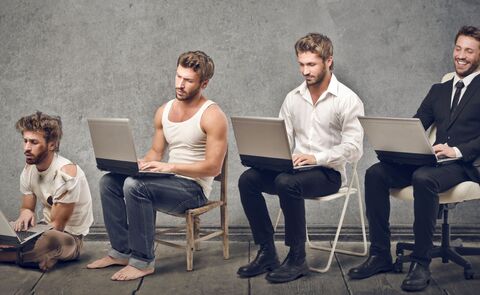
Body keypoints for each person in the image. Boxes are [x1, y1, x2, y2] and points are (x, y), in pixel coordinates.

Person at [348, 25, 480, 292]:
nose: (461, 55)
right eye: (458, 48)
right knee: (375, 173)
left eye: (469, 50)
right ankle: (380, 255)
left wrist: (455, 151)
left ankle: (421, 263)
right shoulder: (439, 90)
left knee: (423, 178)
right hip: (433, 162)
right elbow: (416, 125)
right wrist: (396, 144)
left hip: (465, 165)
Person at [87, 51, 228, 281]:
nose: (180, 85)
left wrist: (169, 167)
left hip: (193, 190)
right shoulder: (164, 111)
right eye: (178, 77)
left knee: (135, 186)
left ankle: (142, 261)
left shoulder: (213, 115)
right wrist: (140, 163)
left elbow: (213, 168)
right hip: (168, 181)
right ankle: (121, 252)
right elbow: (156, 152)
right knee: (109, 182)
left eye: (188, 80)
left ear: (204, 83)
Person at [237, 33, 364, 283]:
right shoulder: (293, 98)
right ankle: (267, 252)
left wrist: (315, 157)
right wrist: (269, 156)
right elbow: (280, 138)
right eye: (301, 64)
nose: (305, 71)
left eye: (311, 64)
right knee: (248, 179)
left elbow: (354, 149)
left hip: (328, 173)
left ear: (329, 61)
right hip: (293, 168)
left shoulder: (347, 100)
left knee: (286, 182)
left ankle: (297, 258)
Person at [0, 111, 93, 271]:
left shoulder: (66, 174)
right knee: (8, 230)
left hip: (68, 237)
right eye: (25, 141)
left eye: (34, 142)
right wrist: (25, 214)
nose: (27, 148)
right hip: (42, 228)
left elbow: (57, 226)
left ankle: (12, 255)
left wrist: (22, 240)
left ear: (52, 144)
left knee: (49, 242)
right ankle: (37, 257)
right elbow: (27, 207)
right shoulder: (29, 170)